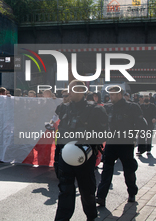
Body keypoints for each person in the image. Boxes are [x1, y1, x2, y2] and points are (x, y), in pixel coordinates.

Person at [54, 80, 108, 221]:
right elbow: (61, 132)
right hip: (65, 155)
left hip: (84, 157)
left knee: (87, 190)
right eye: (72, 88)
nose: (73, 91)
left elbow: (103, 133)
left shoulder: (95, 110)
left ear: (83, 91)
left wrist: (87, 145)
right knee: (65, 190)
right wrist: (57, 158)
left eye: (77, 89)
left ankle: (91, 216)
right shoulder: (63, 108)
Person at [96, 86, 147, 207]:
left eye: (113, 94)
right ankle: (101, 197)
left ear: (120, 95)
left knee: (128, 170)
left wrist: (137, 138)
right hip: (111, 143)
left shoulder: (132, 107)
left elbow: (141, 124)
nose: (110, 97)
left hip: (126, 143)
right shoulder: (107, 107)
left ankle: (132, 193)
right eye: (110, 94)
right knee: (106, 171)